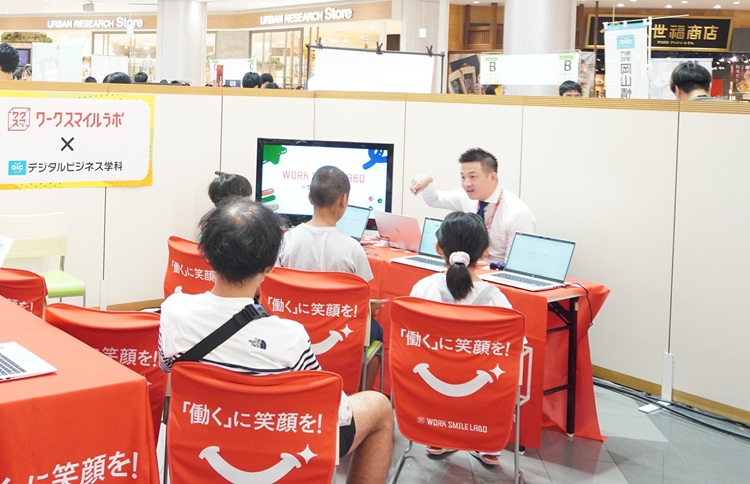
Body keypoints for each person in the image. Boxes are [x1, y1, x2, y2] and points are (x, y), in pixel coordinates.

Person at [159, 199, 393, 483]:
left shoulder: (173, 311)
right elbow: (328, 409)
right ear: (270, 266)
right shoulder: (290, 336)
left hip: (204, 433)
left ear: (206, 253)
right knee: (379, 406)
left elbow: (168, 369)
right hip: (274, 443)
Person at [409, 210, 512, 466]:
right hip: (481, 389)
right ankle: (486, 443)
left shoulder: (423, 288)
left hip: (431, 383)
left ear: (438, 248)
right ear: (485, 251)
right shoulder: (497, 299)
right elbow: (512, 351)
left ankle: (439, 434)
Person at [276, 166, 384, 389]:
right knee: (377, 330)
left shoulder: (286, 241)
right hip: (341, 335)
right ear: (344, 200)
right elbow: (367, 305)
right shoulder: (353, 249)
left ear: (309, 197)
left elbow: (273, 287)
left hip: (291, 330)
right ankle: (358, 398)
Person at [410, 147, 536, 263]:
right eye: (463, 177)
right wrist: (428, 181)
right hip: (467, 268)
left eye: (473, 177)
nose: (467, 183)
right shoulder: (465, 196)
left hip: (495, 272)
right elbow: (435, 199)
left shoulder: (518, 213)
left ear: (493, 177)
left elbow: (516, 264)